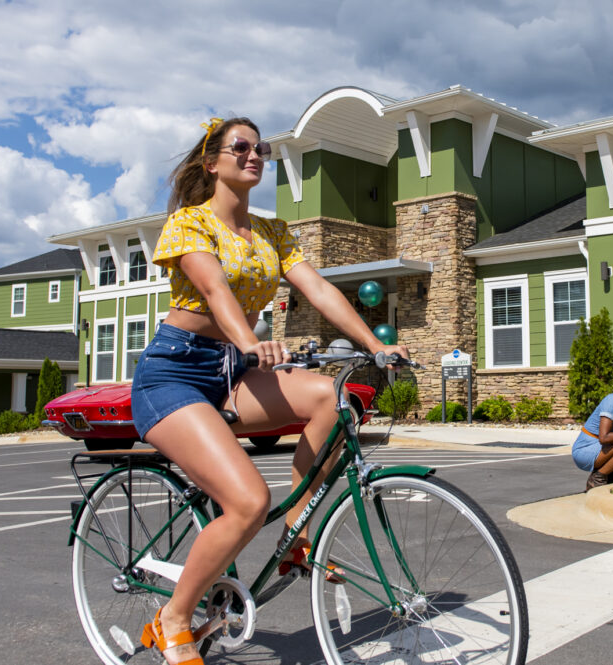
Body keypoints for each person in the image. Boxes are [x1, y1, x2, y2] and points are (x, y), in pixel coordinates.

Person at [131, 117, 410, 665]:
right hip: (174, 374)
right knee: (247, 500)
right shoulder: (187, 224)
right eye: (241, 147)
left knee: (334, 398)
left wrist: (376, 346)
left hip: (232, 371)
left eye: (261, 149)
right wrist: (252, 343)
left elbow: (319, 289)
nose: (254, 155)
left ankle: (296, 534)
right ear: (212, 163)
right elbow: (213, 290)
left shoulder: (274, 232)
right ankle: (173, 620)